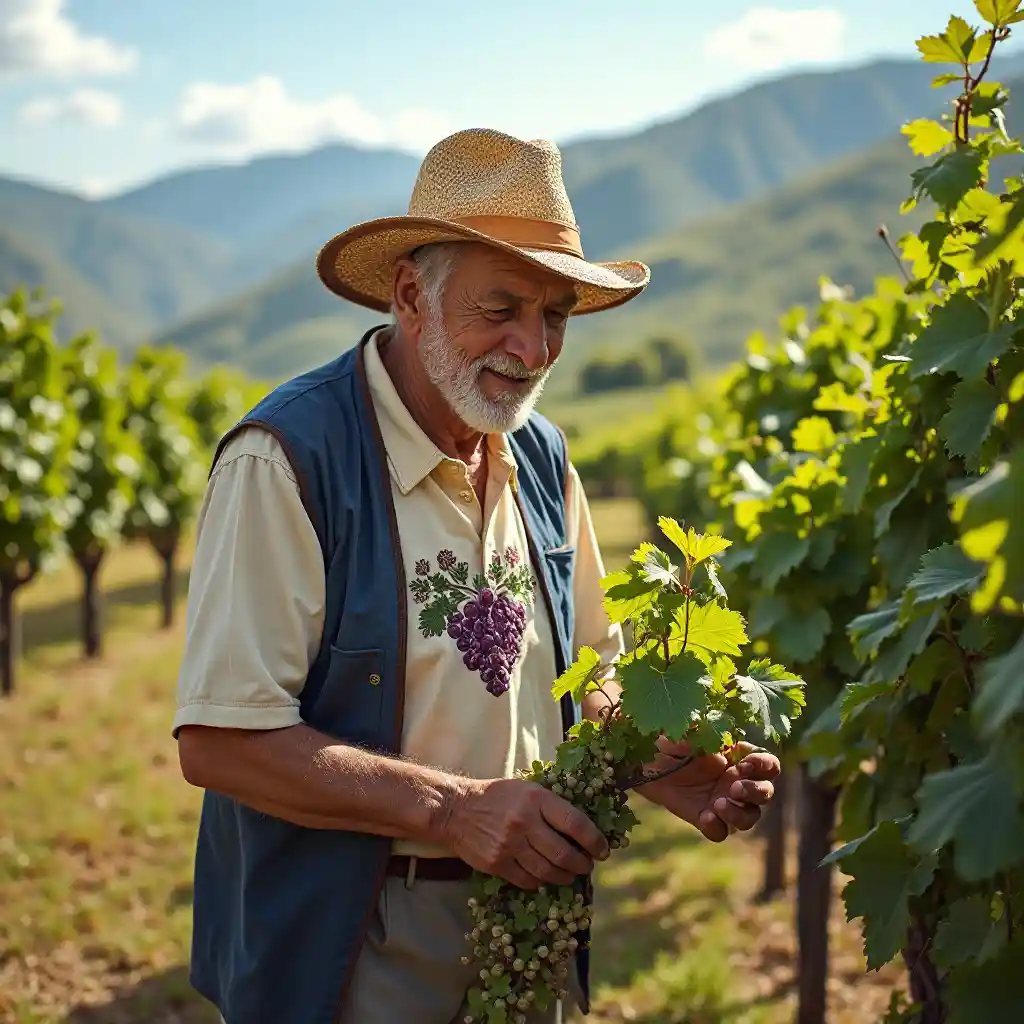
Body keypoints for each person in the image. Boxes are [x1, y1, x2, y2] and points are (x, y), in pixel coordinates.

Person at [172, 127, 781, 1024]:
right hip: (351, 935)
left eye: (555, 316)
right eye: (500, 309)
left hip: (528, 915)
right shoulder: (289, 459)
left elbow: (587, 676)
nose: (532, 349)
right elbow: (221, 741)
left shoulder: (541, 454)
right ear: (410, 296)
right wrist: (453, 810)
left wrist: (655, 763)